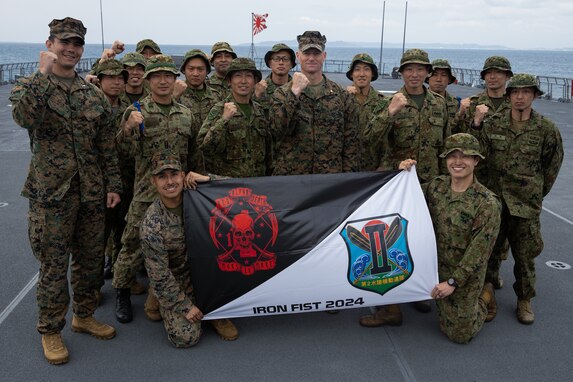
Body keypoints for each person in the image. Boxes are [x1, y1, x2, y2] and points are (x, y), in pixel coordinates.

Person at [9, 17, 122, 365]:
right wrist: (42, 78)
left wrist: (113, 184)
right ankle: (50, 329)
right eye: (64, 43)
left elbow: (105, 143)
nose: (71, 49)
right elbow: (24, 118)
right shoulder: (30, 85)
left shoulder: (91, 93)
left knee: (89, 262)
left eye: (76, 44)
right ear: (50, 44)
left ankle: (84, 314)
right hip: (52, 195)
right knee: (54, 267)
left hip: (90, 191)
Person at [360, 48, 449, 326]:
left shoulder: (438, 104)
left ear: (427, 73)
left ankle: (419, 291)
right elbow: (368, 138)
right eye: (409, 69)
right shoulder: (390, 101)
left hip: (430, 183)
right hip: (397, 185)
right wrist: (390, 112)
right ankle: (391, 306)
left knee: (424, 240)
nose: (414, 74)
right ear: (401, 72)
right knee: (393, 242)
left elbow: (445, 147)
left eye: (420, 69)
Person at [112, 54, 198, 324]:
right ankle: (122, 292)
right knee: (132, 244)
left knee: (180, 244)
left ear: (175, 79)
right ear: (148, 80)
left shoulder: (186, 114)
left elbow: (194, 155)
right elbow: (122, 152)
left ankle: (160, 292)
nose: (163, 81)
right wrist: (127, 128)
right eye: (157, 76)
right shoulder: (137, 111)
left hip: (179, 190)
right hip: (147, 191)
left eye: (168, 76)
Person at [479, 74, 564, 324]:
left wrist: (535, 193)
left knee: (524, 256)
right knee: (490, 250)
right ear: (508, 95)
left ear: (535, 96)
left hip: (525, 204)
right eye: (515, 92)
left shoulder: (546, 129)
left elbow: (552, 167)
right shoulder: (493, 124)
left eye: (526, 92)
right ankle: (487, 291)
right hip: (495, 200)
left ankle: (524, 299)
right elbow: (481, 160)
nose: (519, 97)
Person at [400, 133, 501, 343]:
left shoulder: (487, 203)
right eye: (452, 156)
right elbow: (403, 194)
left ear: (476, 160)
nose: (457, 162)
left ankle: (485, 297)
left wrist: (453, 282)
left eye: (465, 156)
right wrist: (403, 171)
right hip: (432, 265)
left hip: (461, 272)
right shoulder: (436, 187)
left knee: (459, 334)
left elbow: (479, 252)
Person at [270, 31, 360, 175]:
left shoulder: (341, 96)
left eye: (316, 53)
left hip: (329, 179)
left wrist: (347, 180)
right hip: (292, 178)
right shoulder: (282, 94)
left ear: (324, 56)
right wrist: (294, 93)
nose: (311, 58)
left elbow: (351, 144)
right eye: (307, 53)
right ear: (298, 56)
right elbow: (276, 131)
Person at [198, 57, 272, 177]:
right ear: (229, 81)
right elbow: (204, 146)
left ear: (255, 81)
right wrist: (223, 120)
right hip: (229, 184)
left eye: (248, 76)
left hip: (257, 182)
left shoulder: (259, 111)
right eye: (238, 75)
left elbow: (268, 150)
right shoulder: (219, 109)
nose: (243, 81)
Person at [345, 53, 385, 170]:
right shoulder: (341, 99)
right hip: (347, 168)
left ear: (372, 74)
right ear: (352, 74)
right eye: (357, 70)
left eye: (366, 69)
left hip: (374, 169)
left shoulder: (383, 102)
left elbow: (386, 140)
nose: (362, 74)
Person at [253, 43, 296, 118]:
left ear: (291, 64)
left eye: (285, 59)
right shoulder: (259, 88)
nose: (281, 63)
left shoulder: (297, 89)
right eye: (276, 59)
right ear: (270, 63)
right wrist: (256, 95)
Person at [426, 59, 461, 131]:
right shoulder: (419, 101)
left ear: (449, 79)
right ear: (427, 78)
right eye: (434, 74)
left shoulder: (457, 103)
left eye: (444, 75)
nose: (439, 79)